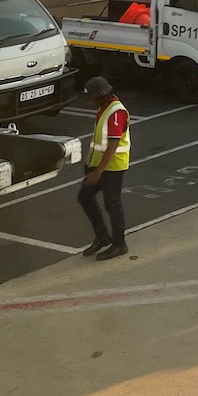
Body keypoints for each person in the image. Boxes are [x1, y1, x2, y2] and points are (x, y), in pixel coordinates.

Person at [78, 76, 131, 260]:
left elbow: (113, 145)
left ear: (101, 96)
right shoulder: (104, 109)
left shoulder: (116, 112)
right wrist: (90, 166)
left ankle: (119, 244)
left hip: (112, 167)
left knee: (112, 204)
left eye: (90, 98)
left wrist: (98, 172)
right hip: (98, 166)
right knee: (84, 198)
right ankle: (102, 236)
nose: (88, 102)